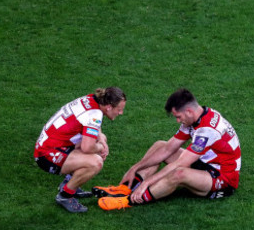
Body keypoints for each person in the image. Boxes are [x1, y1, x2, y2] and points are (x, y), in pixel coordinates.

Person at [95, 88, 241, 210]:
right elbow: (167, 149)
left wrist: (148, 182)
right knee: (160, 145)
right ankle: (126, 188)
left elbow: (179, 164)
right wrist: (135, 167)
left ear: (189, 111)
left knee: (178, 173)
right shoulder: (196, 117)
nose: (178, 121)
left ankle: (129, 201)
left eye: (178, 116)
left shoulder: (207, 130)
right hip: (205, 164)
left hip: (222, 178)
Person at [34, 87, 126, 213]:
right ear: (109, 107)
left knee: (93, 144)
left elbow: (93, 125)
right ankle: (65, 196)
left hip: (49, 146)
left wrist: (102, 140)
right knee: (95, 162)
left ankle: (69, 182)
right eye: (119, 109)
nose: (121, 113)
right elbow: (87, 147)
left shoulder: (91, 99)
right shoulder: (95, 114)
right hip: (47, 155)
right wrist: (101, 147)